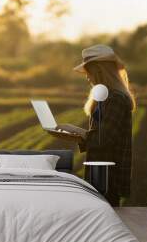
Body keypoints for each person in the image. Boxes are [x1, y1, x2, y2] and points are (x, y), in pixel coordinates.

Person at [55, 44, 136, 206]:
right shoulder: (106, 97)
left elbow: (103, 139)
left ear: (99, 70)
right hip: (100, 171)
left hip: (108, 175)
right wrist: (75, 135)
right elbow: (100, 136)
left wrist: (76, 131)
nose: (87, 77)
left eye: (88, 72)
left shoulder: (116, 99)